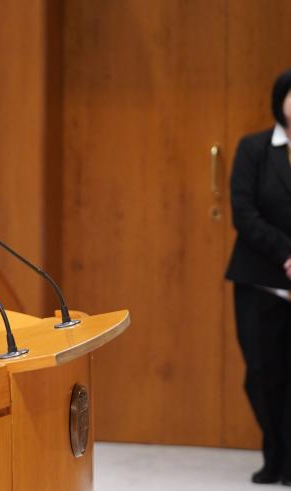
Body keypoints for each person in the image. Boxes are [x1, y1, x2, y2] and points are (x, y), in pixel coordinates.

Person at [226, 68, 291, 485]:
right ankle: (277, 457)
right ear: (281, 100)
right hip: (262, 282)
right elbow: (243, 212)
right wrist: (286, 253)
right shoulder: (254, 148)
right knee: (264, 376)